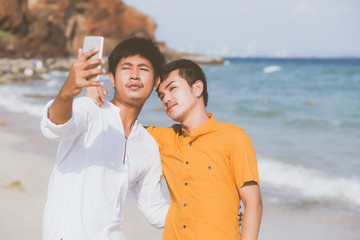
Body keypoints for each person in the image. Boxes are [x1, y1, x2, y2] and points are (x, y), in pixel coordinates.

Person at [88, 59, 263, 239]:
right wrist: (96, 98)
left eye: (172, 89)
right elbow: (120, 124)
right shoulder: (160, 138)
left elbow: (253, 204)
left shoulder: (234, 137)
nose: (166, 99)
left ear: (197, 88)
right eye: (161, 95)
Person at [40, 37, 169, 240]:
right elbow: (55, 127)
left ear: (156, 82)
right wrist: (68, 91)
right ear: (112, 78)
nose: (135, 75)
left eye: (143, 69)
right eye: (127, 68)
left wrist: (211, 216)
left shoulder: (148, 145)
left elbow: (155, 210)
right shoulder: (91, 109)